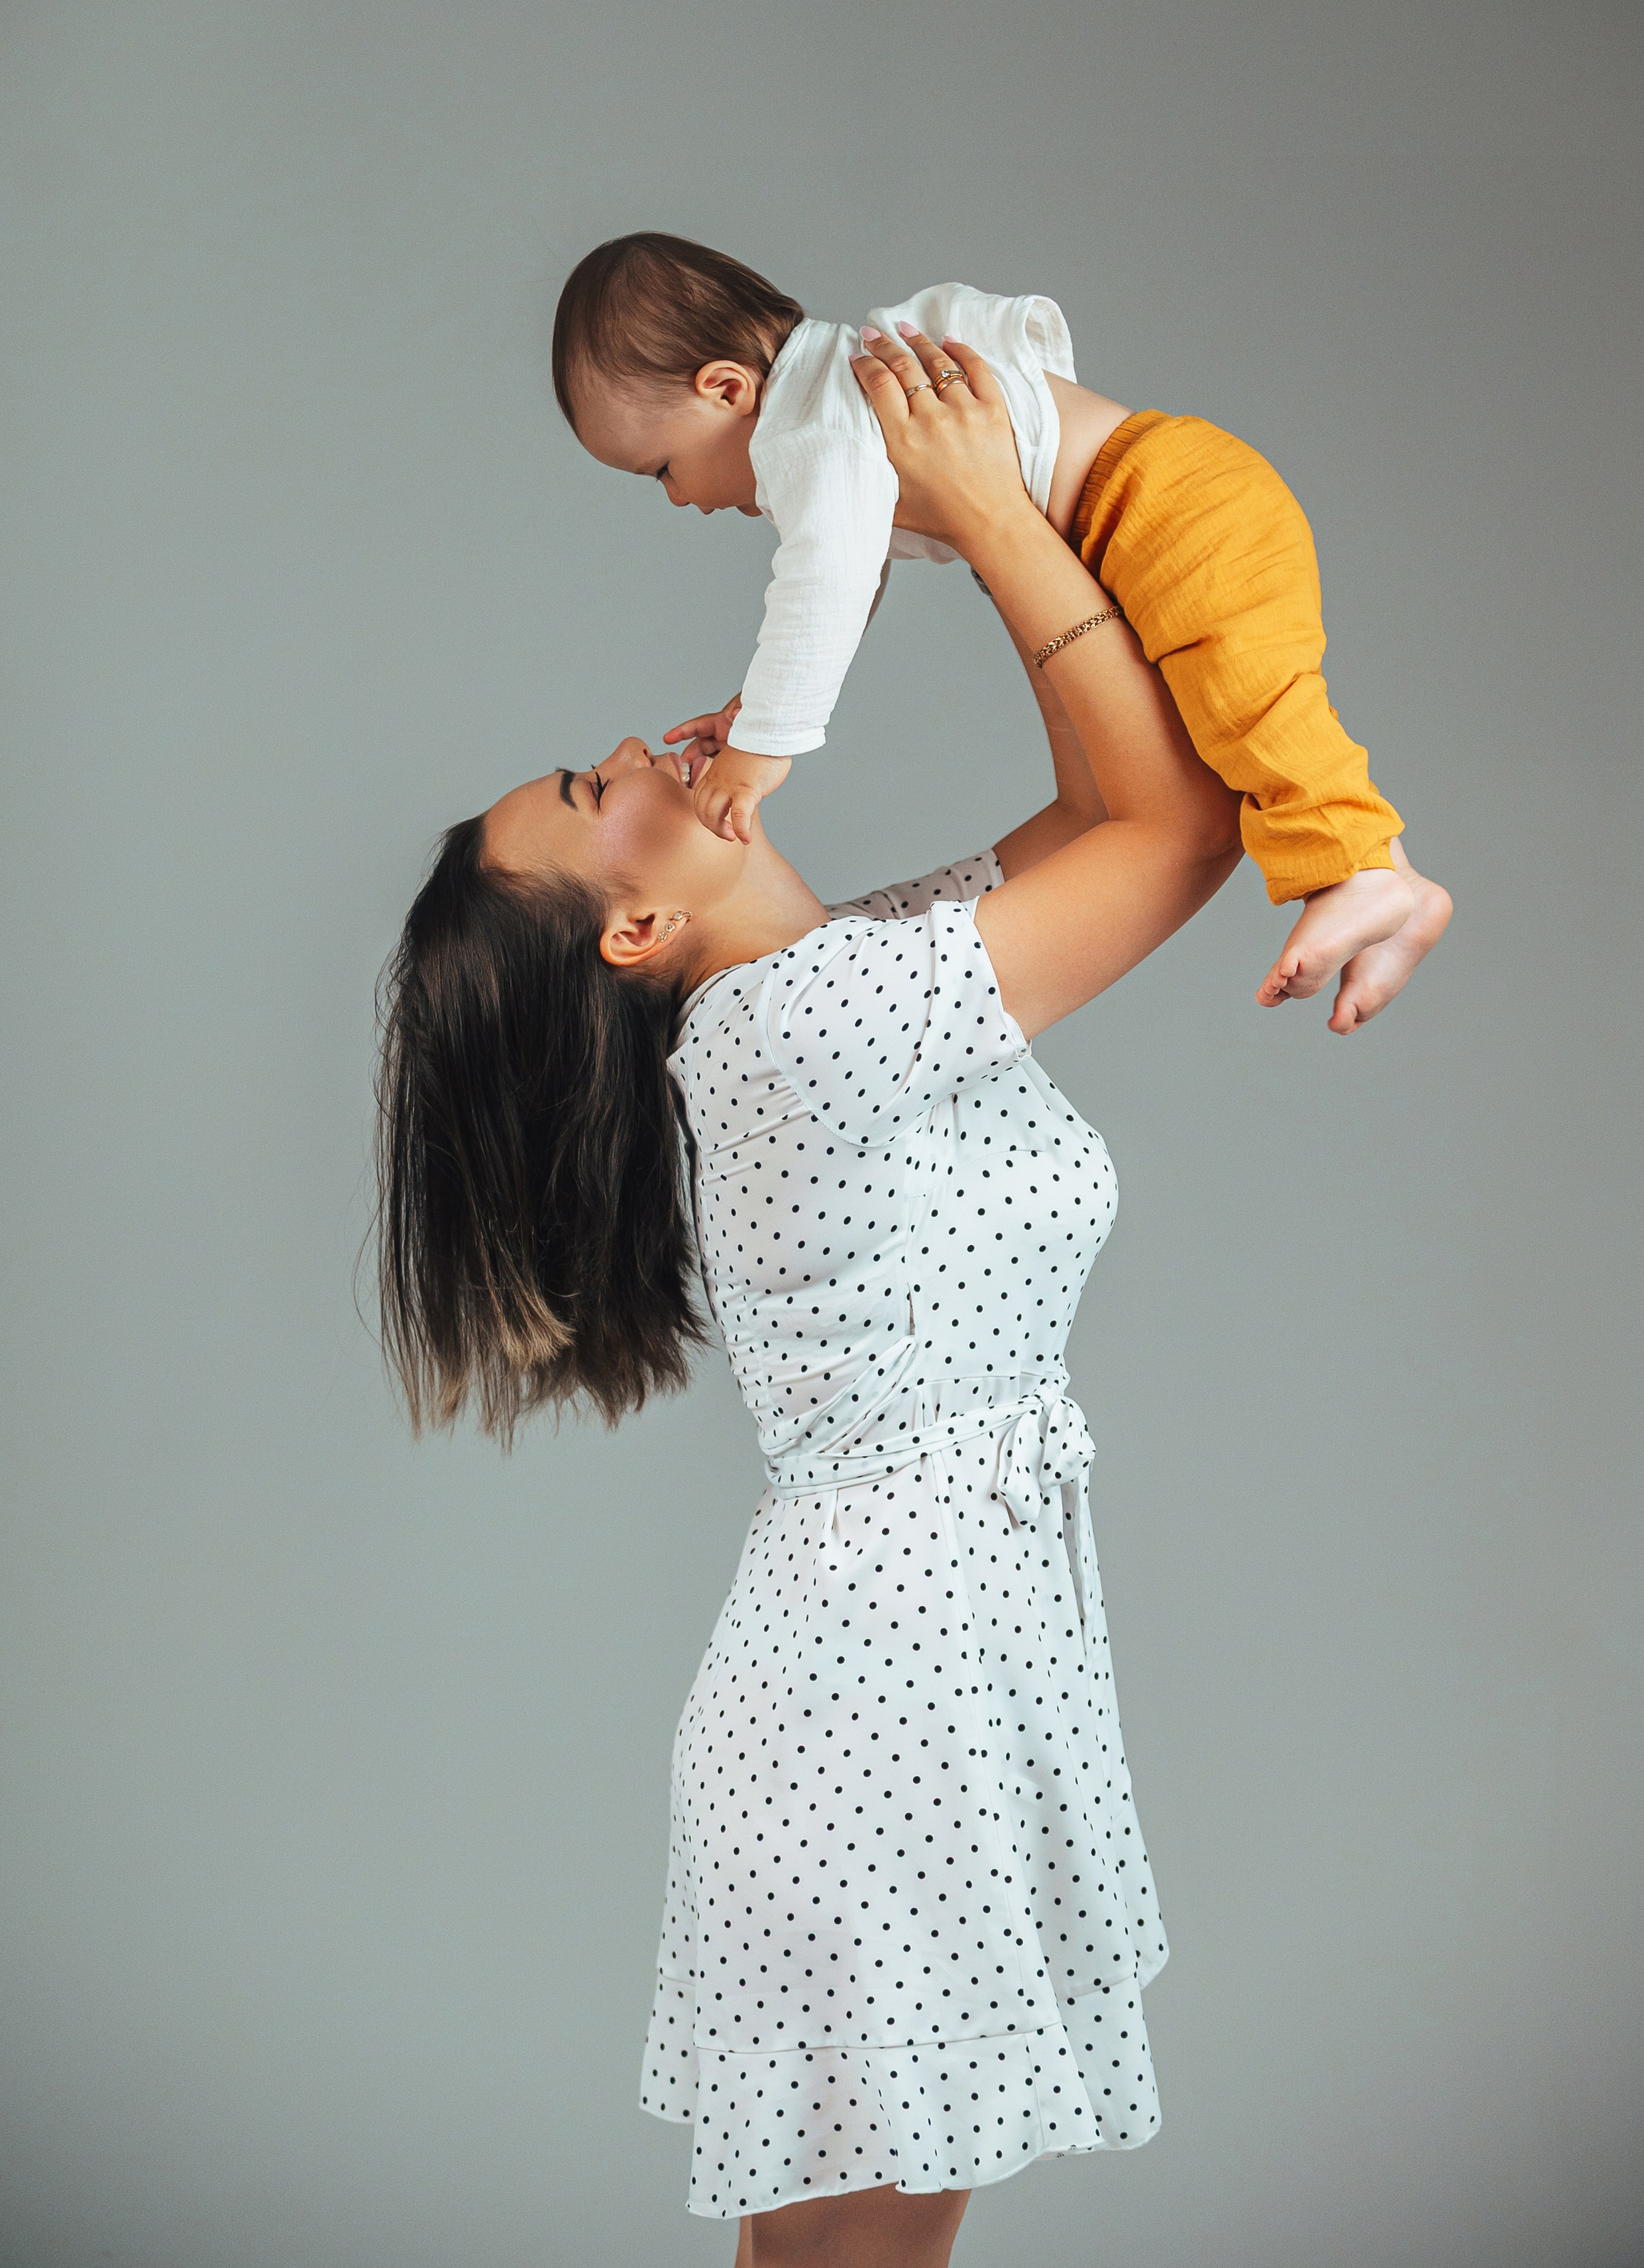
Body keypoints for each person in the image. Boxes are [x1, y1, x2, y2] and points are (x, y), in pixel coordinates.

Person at [376, 331, 1241, 2265]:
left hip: (911, 1672)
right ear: (635, 925)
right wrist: (1001, 514)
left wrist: (976, 514)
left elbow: (1116, 796)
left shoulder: (837, 985)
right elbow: (1189, 834)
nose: (663, 742)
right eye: (604, 784)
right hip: (883, 1699)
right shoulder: (804, 1032)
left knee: (848, 2258)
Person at [553, 233, 1452, 1035]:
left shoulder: (804, 430)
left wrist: (764, 748)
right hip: (1139, 512)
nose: (677, 497)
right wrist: (756, 706)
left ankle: (1361, 874)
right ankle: (1387, 887)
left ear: (724, 388)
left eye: (662, 467)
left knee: (1247, 708)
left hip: (1160, 502)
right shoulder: (828, 404)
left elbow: (822, 582)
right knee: (1256, 716)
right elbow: (850, 577)